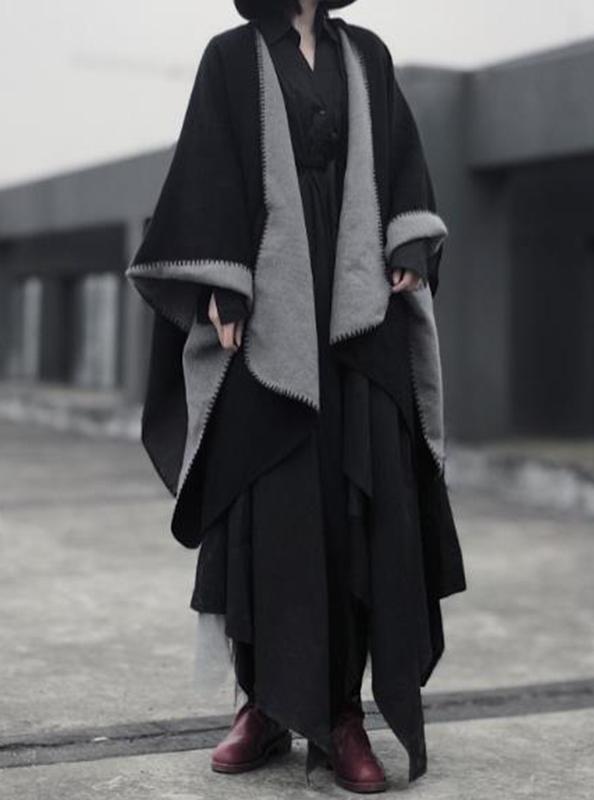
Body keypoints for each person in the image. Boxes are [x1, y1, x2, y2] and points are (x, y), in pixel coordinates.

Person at [126, 0, 467, 793]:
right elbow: (208, 175)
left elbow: (401, 162)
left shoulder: (367, 55)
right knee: (266, 505)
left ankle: (342, 715)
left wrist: (409, 240)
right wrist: (224, 285)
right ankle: (264, 707)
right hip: (270, 317)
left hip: (354, 317)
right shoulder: (230, 57)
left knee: (352, 503)